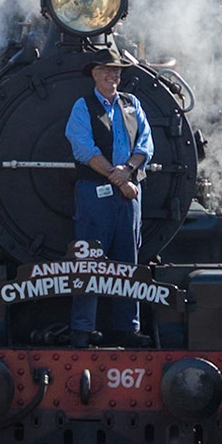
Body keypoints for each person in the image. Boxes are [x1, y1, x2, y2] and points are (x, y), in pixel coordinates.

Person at [65, 50, 154, 346]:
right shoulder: (83, 106)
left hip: (129, 192)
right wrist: (116, 178)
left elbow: (145, 144)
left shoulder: (132, 104)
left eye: (116, 70)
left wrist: (127, 172)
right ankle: (82, 327)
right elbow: (83, 147)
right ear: (94, 73)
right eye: (106, 70)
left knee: (128, 258)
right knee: (89, 258)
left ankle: (127, 326)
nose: (112, 75)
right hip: (95, 192)